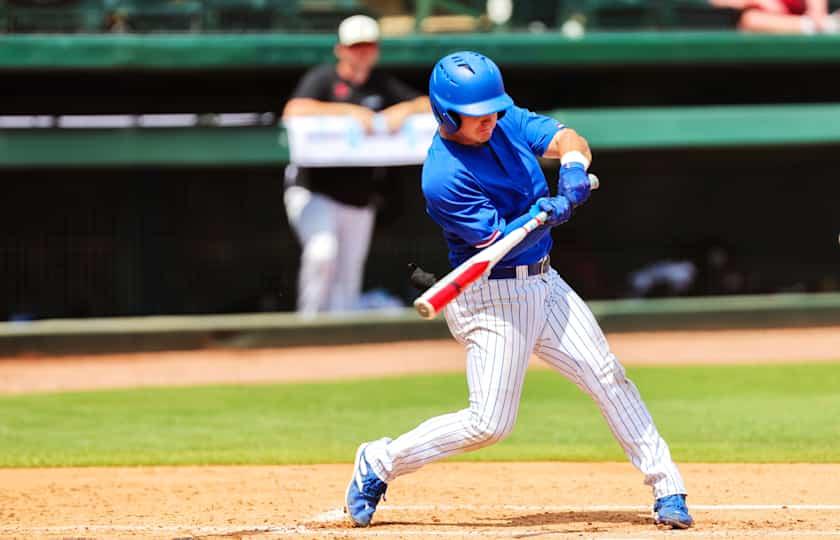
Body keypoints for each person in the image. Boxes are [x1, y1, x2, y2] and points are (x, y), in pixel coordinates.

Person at [344, 51, 694, 530]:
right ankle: (379, 461)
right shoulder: (444, 177)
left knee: (606, 374)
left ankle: (667, 485)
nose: (490, 120)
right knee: (489, 424)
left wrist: (571, 168)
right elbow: (498, 245)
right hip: (491, 297)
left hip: (544, 283)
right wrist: (543, 214)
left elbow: (567, 138)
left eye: (493, 109)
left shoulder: (503, 120)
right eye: (477, 115)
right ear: (448, 114)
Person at [282, 14, 430, 316]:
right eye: (355, 46)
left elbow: (427, 103)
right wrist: (348, 111)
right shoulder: (323, 79)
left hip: (360, 198)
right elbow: (294, 109)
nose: (362, 52)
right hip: (314, 191)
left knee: (348, 276)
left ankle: (339, 344)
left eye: (368, 46)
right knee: (322, 254)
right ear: (341, 49)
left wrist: (404, 109)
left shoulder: (382, 84)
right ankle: (306, 327)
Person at [710, 0, 839, 33]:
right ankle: (826, 26)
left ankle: (824, 25)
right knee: (751, 19)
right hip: (759, 22)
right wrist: (757, 1)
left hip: (801, 18)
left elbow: (817, 10)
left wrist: (817, 12)